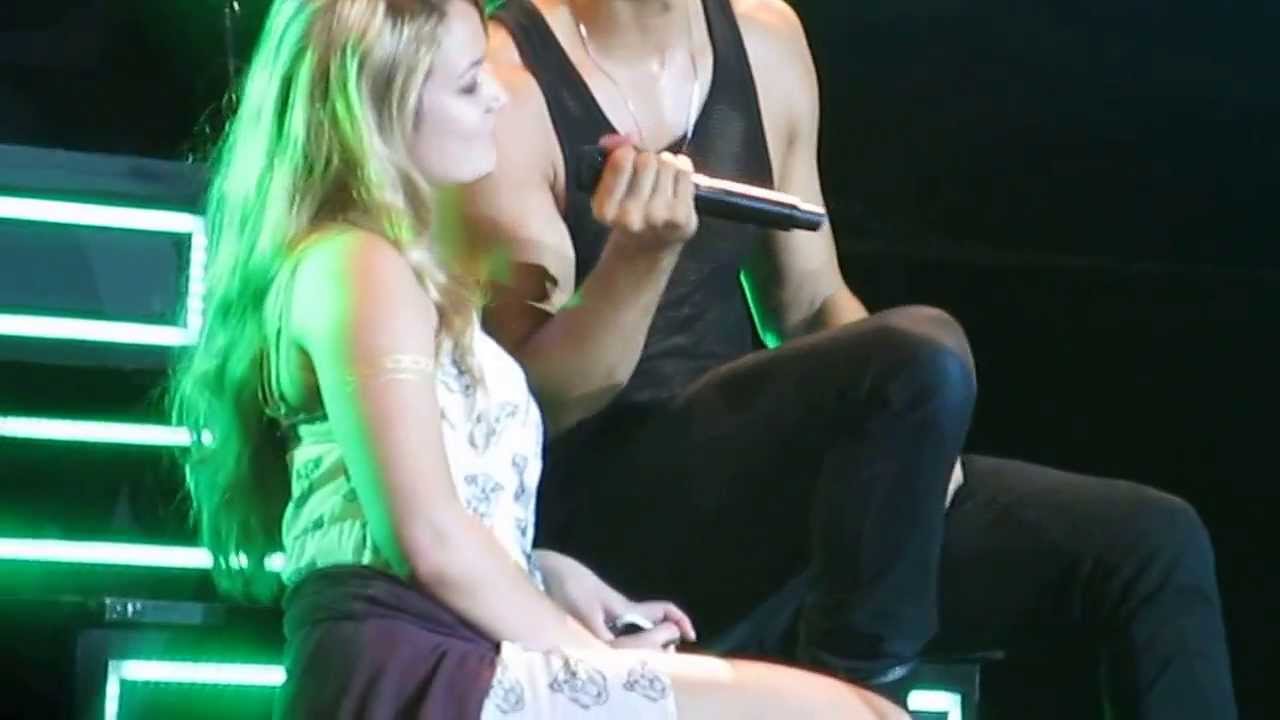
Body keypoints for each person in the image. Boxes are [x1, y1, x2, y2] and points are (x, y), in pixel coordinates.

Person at [457, 0, 1238, 717]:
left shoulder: (765, 39)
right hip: (608, 519)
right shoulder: (504, 85)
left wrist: (918, 433)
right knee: (919, 347)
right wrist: (639, 260)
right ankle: (854, 697)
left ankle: (850, 679)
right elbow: (532, 408)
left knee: (1148, 544)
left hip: (780, 492)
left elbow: (809, 305)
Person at [168, 0, 906, 718]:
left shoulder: (390, 267)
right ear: (382, 105)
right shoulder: (356, 268)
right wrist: (592, 659)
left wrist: (548, 575)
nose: (498, 94)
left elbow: (429, 509)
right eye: (468, 83)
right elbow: (425, 539)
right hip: (418, 666)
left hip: (459, 649)